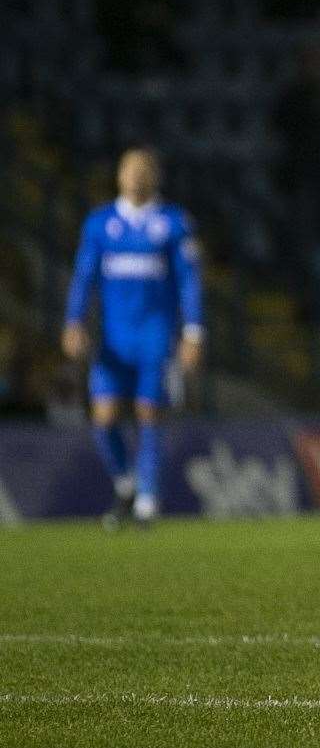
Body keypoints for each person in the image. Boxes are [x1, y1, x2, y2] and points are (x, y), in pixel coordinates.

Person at [61, 148, 205, 528]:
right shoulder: (100, 223)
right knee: (104, 416)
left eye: (144, 169)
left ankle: (147, 499)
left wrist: (193, 331)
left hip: (154, 336)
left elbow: (189, 281)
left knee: (148, 412)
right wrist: (73, 321)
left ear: (156, 176)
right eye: (130, 169)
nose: (136, 176)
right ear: (119, 176)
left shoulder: (173, 223)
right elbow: (84, 277)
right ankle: (126, 483)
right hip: (113, 338)